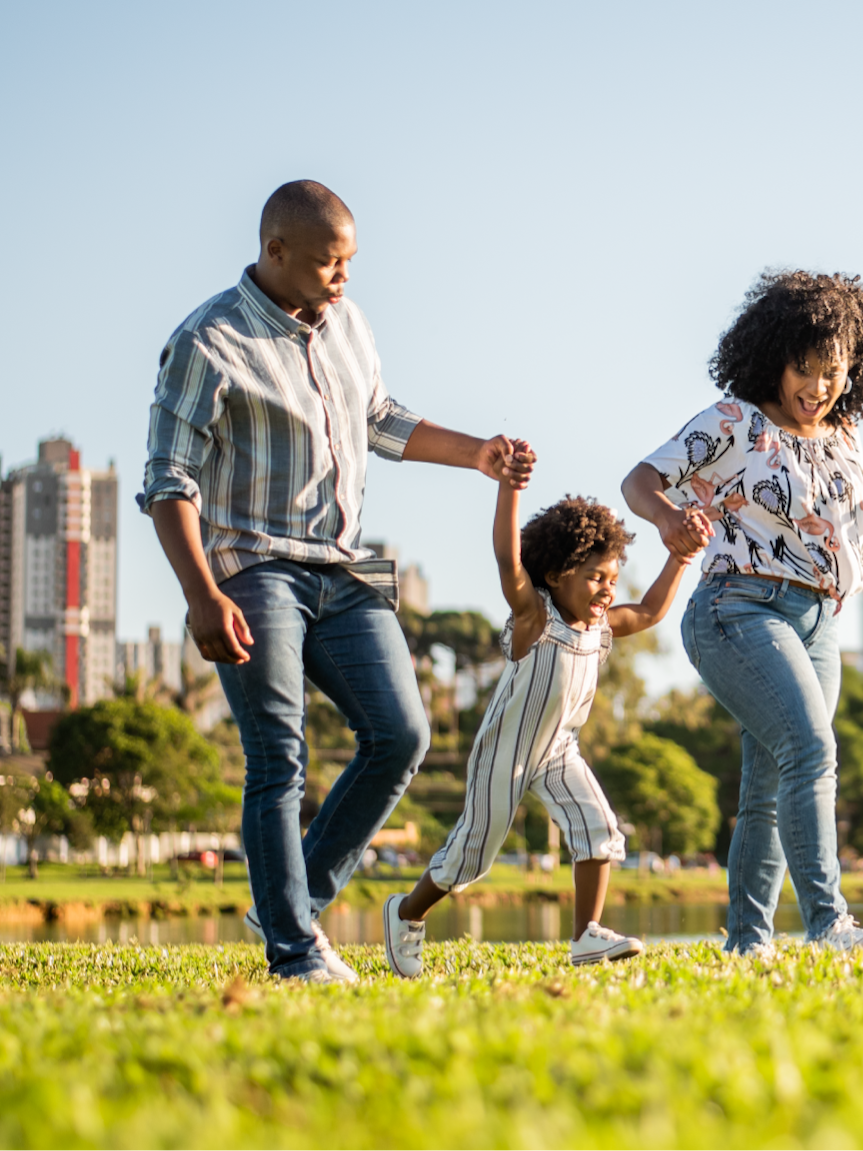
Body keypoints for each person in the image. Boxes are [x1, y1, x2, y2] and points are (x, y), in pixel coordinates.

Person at [140, 180, 533, 985]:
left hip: (343, 569)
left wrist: (477, 453)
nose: (343, 278)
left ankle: (290, 899)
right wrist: (201, 594)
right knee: (277, 754)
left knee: (403, 734)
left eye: (350, 262)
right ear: (274, 251)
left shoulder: (348, 323)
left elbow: (380, 418)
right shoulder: (207, 341)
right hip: (253, 569)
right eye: (328, 262)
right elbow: (168, 480)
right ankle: (292, 951)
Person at [621, 270, 863, 956]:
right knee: (812, 749)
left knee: (770, 785)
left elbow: (860, 527)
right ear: (771, 356)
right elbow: (640, 480)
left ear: (853, 369)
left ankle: (747, 944)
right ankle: (829, 922)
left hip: (818, 623)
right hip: (739, 609)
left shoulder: (845, 435)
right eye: (803, 368)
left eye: (833, 371)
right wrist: (667, 521)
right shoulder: (733, 422)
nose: (818, 386)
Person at [382, 449, 698, 976]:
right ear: (555, 574)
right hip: (506, 751)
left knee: (598, 827)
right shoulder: (535, 615)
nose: (607, 589)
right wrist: (510, 487)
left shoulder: (600, 627)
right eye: (595, 577)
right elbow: (508, 559)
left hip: (558, 750)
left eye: (612, 578)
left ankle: (585, 936)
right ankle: (407, 912)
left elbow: (647, 611)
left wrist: (681, 558)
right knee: (472, 855)